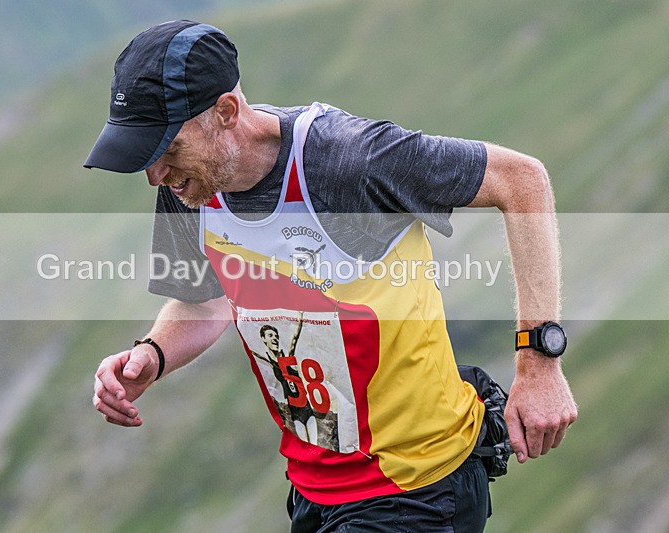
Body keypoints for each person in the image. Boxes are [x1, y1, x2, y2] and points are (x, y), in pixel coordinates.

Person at [87, 19, 577, 531]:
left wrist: (539, 362)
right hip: (313, 490)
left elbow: (522, 181)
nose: (154, 174)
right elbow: (203, 302)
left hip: (419, 487)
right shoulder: (190, 185)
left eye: (168, 150)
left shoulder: (349, 159)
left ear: (226, 113)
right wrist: (152, 353)